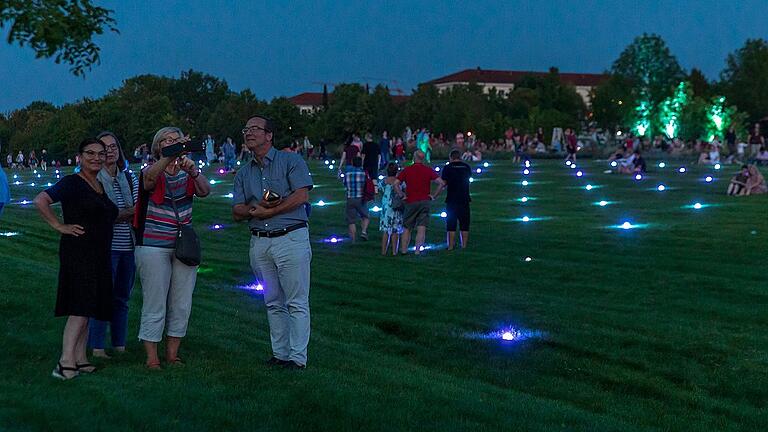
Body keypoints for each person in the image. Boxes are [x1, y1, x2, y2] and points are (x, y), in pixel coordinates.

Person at [232, 115, 313, 369]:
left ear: (269, 135)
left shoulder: (291, 161)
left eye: (255, 129)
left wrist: (269, 212)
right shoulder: (244, 172)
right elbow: (236, 211)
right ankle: (280, 354)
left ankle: (298, 358)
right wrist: (255, 209)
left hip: (290, 237)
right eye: (246, 129)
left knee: (296, 301)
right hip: (260, 242)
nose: (248, 133)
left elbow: (301, 195)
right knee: (273, 302)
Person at [34, 138, 118, 379]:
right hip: (79, 253)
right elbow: (41, 200)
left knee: (89, 305)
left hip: (98, 253)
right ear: (79, 157)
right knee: (80, 306)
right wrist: (59, 225)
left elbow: (107, 215)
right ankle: (65, 362)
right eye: (90, 153)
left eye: (101, 154)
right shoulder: (72, 182)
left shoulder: (98, 184)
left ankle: (80, 358)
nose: (96, 158)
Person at [133, 126, 211, 369]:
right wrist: (169, 155)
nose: (172, 143)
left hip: (182, 245)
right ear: (158, 146)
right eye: (167, 140)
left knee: (181, 301)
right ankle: (151, 356)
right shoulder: (149, 169)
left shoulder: (187, 170)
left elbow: (205, 191)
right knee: (155, 301)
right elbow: (148, 182)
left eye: (177, 140)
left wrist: (193, 171)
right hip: (153, 244)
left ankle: (173, 354)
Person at [88, 132, 139, 358]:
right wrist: (119, 214)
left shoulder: (129, 178)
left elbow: (139, 210)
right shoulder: (93, 179)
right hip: (105, 247)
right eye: (105, 147)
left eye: (113, 146)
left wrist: (117, 213)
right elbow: (100, 215)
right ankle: (97, 347)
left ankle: (119, 345)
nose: (110, 150)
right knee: (102, 297)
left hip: (129, 246)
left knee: (122, 298)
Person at [395, 150, 445, 254]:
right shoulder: (427, 170)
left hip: (411, 201)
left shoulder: (407, 170)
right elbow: (441, 183)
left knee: (407, 227)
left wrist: (401, 194)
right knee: (421, 227)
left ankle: (404, 250)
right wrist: (434, 196)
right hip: (424, 201)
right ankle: (417, 251)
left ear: (414, 157)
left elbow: (396, 184)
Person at [432, 150, 471, 250]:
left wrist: (435, 195)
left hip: (451, 199)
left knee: (451, 224)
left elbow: (443, 183)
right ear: (460, 157)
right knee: (464, 223)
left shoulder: (447, 168)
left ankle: (450, 246)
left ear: (451, 157)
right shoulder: (466, 167)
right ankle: (464, 245)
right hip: (464, 198)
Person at [342, 156, 370, 242]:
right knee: (365, 216)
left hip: (350, 198)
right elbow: (367, 184)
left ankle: (353, 240)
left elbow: (345, 184)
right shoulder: (364, 173)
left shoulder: (347, 174)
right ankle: (364, 232)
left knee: (351, 221)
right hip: (361, 198)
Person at [378, 162, 403, 255]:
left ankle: (383, 251)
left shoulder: (383, 182)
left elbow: (380, 191)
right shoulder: (399, 182)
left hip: (386, 207)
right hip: (396, 207)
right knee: (395, 230)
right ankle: (394, 251)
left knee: (386, 230)